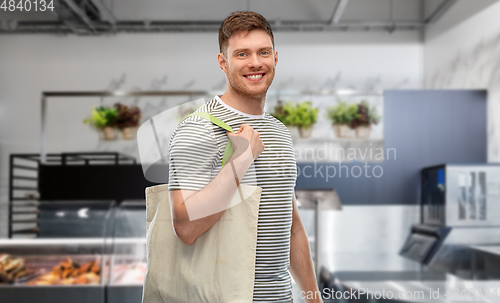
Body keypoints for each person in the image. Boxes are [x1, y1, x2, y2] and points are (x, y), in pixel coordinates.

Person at [168, 11, 323, 303]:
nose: (255, 63)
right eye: (242, 54)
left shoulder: (279, 132)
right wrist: (241, 161)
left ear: (275, 58)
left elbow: (291, 226)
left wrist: (314, 298)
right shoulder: (198, 128)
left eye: (263, 52)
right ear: (223, 63)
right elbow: (185, 227)